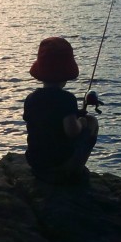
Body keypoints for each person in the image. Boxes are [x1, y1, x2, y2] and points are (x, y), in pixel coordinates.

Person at [23, 36, 99, 184]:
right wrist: (82, 122)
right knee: (92, 121)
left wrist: (74, 114)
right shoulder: (67, 99)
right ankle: (74, 169)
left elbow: (46, 120)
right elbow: (72, 131)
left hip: (36, 163)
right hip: (58, 165)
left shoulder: (31, 98)